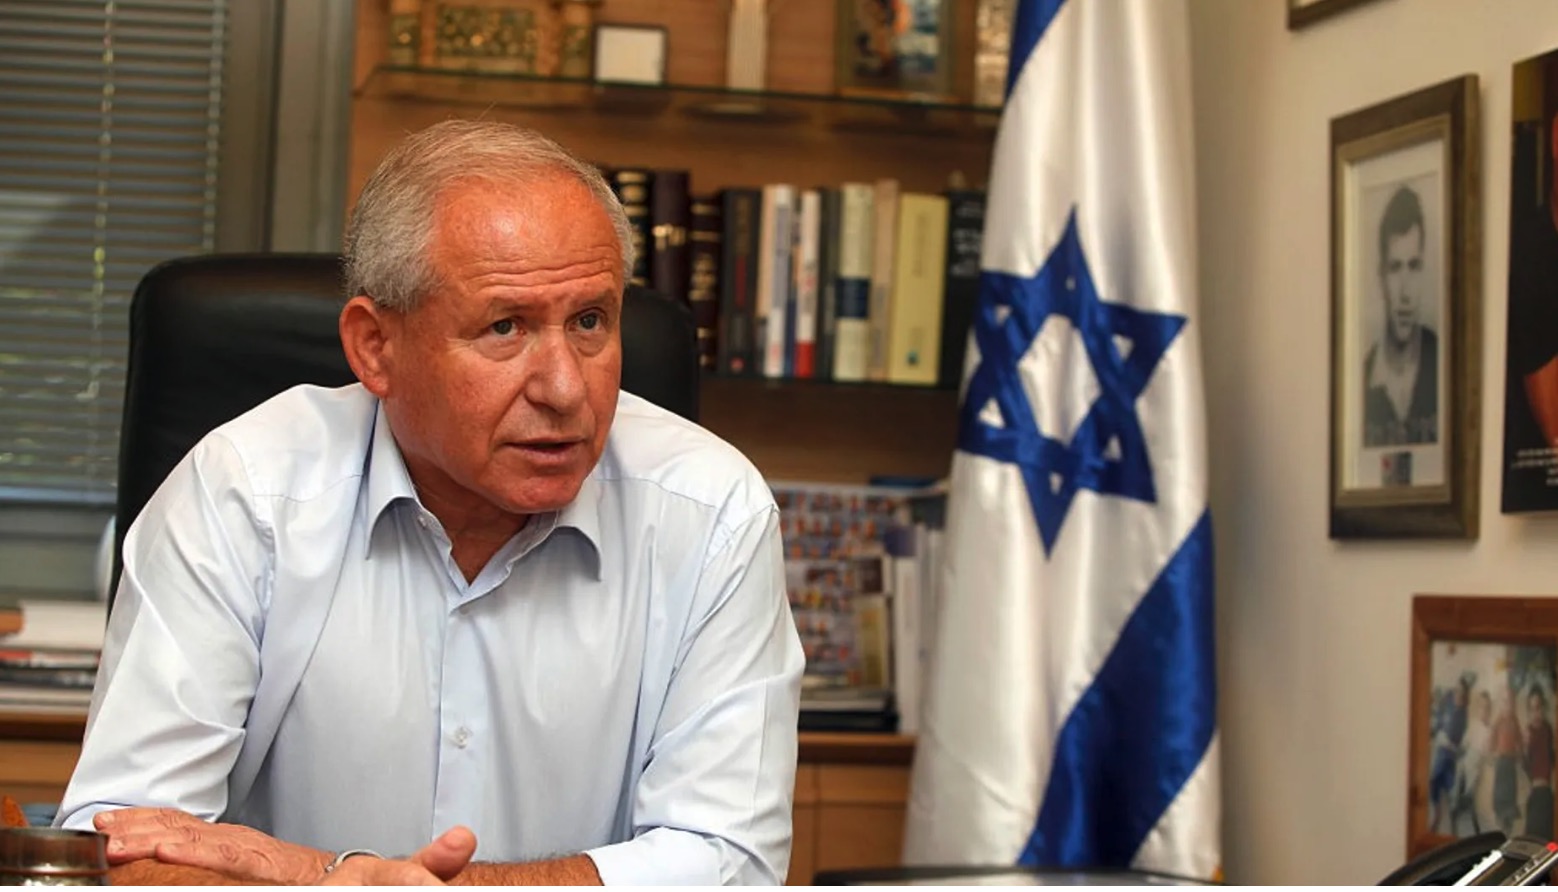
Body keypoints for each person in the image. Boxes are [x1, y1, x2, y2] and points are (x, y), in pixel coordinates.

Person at [52, 119, 805, 886]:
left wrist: (321, 875)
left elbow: (730, 864)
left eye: (590, 322)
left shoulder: (711, 512)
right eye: (505, 327)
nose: (565, 388)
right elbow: (119, 846)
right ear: (375, 347)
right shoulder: (244, 493)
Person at [1363, 183, 1439, 449]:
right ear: (1381, 276)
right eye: (1395, 268)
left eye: (1414, 267)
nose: (1405, 293)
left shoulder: (1444, 363)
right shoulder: (1361, 382)